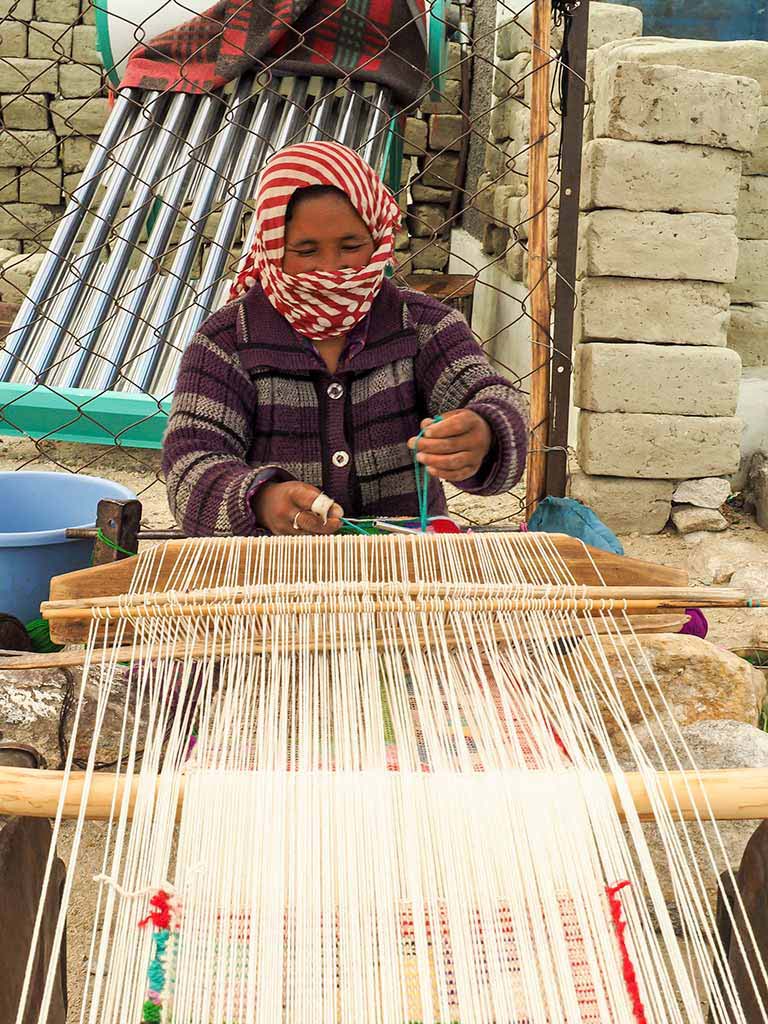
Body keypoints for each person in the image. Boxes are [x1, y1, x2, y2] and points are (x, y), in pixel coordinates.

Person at [162, 141, 528, 536]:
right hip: (274, 571)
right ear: (271, 248)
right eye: (305, 250)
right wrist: (261, 501)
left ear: (378, 240)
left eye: (351, 247)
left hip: (405, 568)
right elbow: (191, 464)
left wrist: (482, 433)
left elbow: (491, 395)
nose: (332, 269)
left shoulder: (425, 327)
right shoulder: (227, 342)